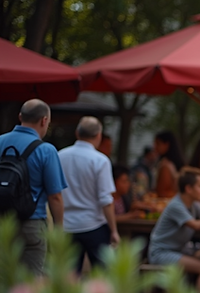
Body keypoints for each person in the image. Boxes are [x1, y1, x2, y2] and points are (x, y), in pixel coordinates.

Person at [0, 99, 66, 276]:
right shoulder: (46, 150)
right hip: (32, 224)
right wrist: (58, 231)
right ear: (44, 121)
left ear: (20, 116)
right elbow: (55, 197)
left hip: (3, 224)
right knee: (31, 284)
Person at [57, 116, 120, 271]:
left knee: (68, 278)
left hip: (66, 225)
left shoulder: (59, 156)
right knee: (102, 276)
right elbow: (106, 200)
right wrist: (113, 230)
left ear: (77, 133)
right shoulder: (100, 160)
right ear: (98, 135)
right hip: (94, 225)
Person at [153, 131, 184, 198]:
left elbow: (162, 192)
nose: (155, 147)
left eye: (158, 144)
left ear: (167, 144)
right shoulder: (172, 163)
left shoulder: (165, 166)